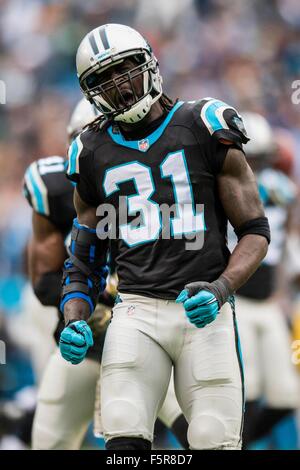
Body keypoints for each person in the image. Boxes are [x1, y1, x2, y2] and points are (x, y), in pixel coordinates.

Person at [60, 24, 270, 450]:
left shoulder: (204, 124)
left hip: (204, 308)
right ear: (89, 92)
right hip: (136, 310)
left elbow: (255, 231)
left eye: (125, 70)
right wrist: (75, 317)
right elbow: (84, 257)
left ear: (150, 64)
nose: (119, 87)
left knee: (213, 437)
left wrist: (221, 287)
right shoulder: (90, 151)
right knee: (123, 434)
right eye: (103, 80)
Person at [23, 97, 188, 450]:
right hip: (85, 345)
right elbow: (45, 281)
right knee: (48, 443)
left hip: (152, 338)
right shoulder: (52, 188)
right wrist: (89, 308)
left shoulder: (165, 177)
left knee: (201, 432)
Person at [228, 112, 299, 448]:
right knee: (249, 390)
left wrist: (283, 293)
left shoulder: (282, 189)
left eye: (260, 158)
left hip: (268, 302)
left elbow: (283, 243)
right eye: (250, 158)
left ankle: (235, 444)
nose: (255, 165)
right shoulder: (223, 187)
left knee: (287, 395)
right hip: (237, 300)